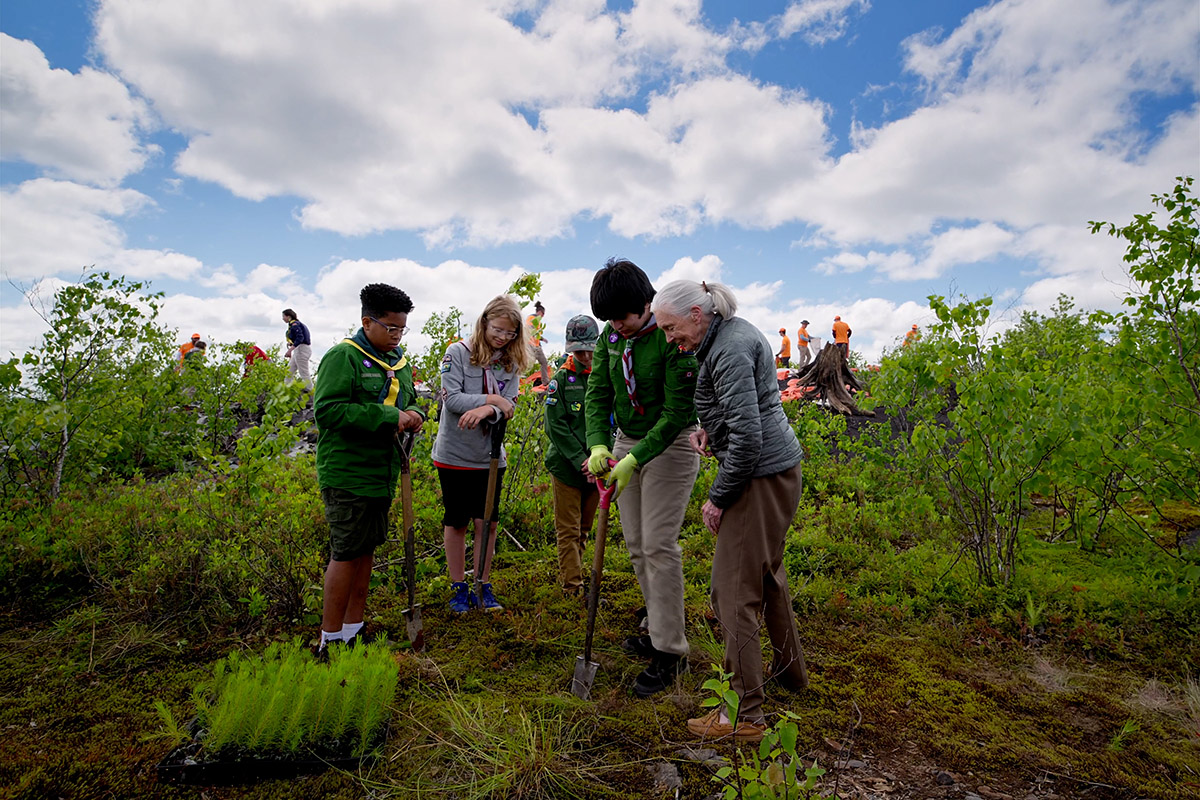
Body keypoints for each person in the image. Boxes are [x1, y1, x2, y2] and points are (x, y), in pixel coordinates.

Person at [652, 279, 808, 744]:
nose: (668, 337)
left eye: (671, 327)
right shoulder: (727, 335)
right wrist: (708, 430)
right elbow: (740, 413)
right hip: (774, 473)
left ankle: (743, 714)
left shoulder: (730, 349)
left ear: (697, 315)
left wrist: (718, 497)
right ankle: (789, 673)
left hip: (759, 477)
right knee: (766, 575)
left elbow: (749, 437)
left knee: (733, 593)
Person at [584, 258, 700, 698]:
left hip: (670, 444)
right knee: (636, 545)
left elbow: (676, 414)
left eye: (624, 316)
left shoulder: (671, 339)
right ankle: (656, 625)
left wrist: (637, 459)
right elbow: (598, 393)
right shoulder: (610, 337)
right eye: (610, 319)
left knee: (658, 544)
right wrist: (599, 446)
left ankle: (670, 651)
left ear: (647, 304)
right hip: (625, 442)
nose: (618, 326)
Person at [312, 284, 424, 658]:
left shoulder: (398, 363)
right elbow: (327, 411)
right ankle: (329, 642)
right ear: (367, 322)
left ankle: (353, 630)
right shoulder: (343, 357)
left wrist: (416, 416)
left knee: (366, 551)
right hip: (348, 473)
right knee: (346, 552)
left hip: (384, 471)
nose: (396, 335)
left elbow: (409, 402)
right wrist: (390, 416)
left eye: (402, 329)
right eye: (390, 328)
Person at [432, 295, 529, 613]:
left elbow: (510, 406)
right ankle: (459, 586)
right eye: (498, 330)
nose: (503, 338)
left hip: (490, 456)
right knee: (457, 521)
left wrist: (493, 407)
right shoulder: (457, 353)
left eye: (510, 333)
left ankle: (482, 584)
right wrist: (492, 399)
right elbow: (454, 400)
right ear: (484, 322)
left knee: (486, 523)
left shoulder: (510, 362)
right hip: (454, 455)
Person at [543, 315, 602, 596]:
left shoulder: (605, 374)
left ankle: (575, 576)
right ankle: (572, 587)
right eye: (580, 351)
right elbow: (555, 426)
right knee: (568, 530)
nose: (587, 356)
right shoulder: (561, 381)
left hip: (598, 467)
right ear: (570, 349)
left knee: (585, 529)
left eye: (591, 349)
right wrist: (581, 459)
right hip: (568, 467)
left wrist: (597, 461)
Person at [282, 308, 313, 390]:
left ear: (288, 316)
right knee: (289, 372)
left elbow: (300, 338)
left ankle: (310, 390)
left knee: (303, 372)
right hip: (298, 349)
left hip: (302, 349)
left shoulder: (295, 324)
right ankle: (287, 389)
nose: (283, 318)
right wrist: (291, 343)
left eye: (283, 316)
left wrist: (290, 350)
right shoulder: (296, 324)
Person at [526, 300, 551, 386]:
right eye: (543, 314)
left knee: (544, 362)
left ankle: (545, 381)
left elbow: (537, 334)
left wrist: (542, 340)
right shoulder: (531, 318)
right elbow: (529, 330)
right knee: (528, 363)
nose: (543, 316)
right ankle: (521, 379)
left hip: (537, 346)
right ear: (540, 312)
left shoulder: (539, 322)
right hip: (530, 345)